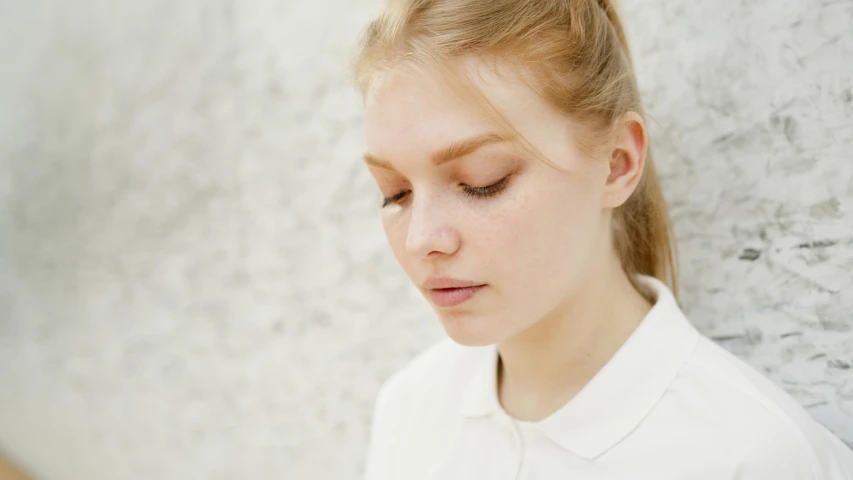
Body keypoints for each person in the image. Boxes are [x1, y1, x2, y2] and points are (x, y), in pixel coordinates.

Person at [351, 0, 853, 478]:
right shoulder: (409, 413)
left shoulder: (754, 458)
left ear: (617, 163)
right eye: (394, 194)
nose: (421, 240)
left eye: (484, 181)